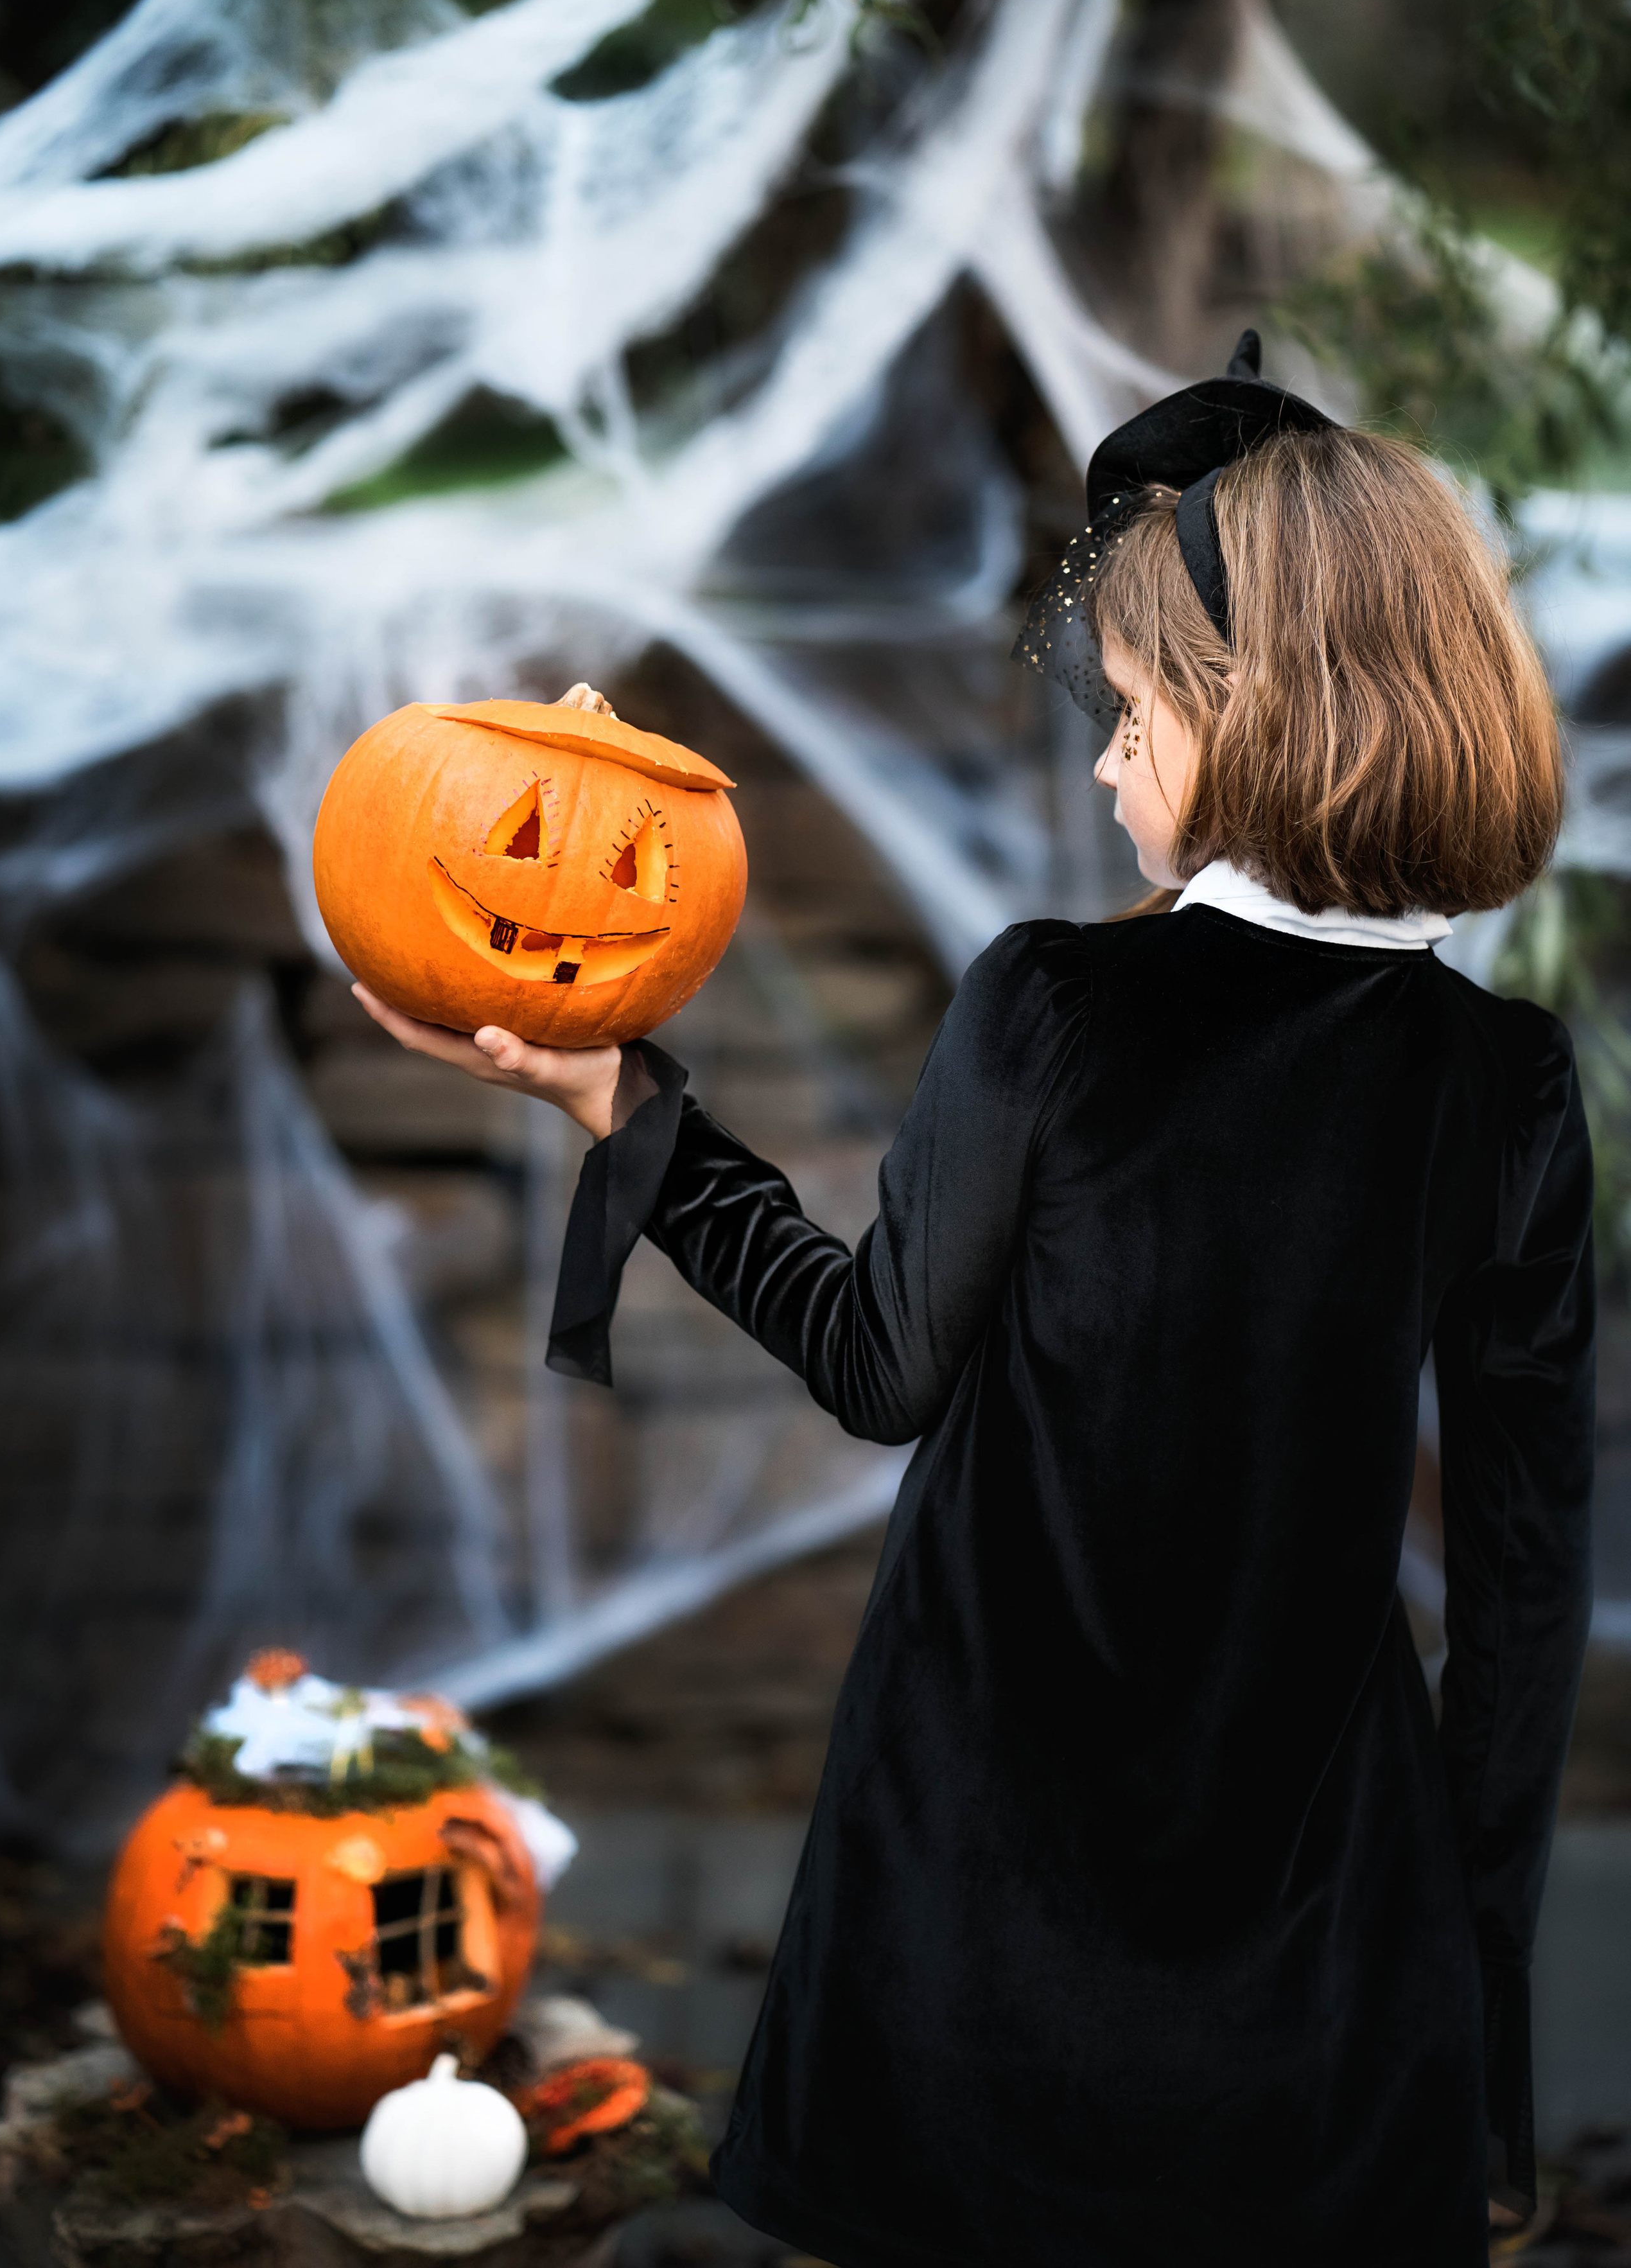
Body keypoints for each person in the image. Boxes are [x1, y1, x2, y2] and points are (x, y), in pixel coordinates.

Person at [353, 333, 1595, 2268]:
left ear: (1254, 708)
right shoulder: (1501, 1079)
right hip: (1318, 1922)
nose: (1104, 759)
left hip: (978, 1886)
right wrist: (1475, 2013)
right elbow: (1523, 1589)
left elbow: (875, 1362)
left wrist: (626, 1106)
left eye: (1131, 715)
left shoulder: (1059, 1005)